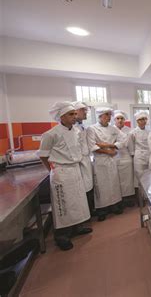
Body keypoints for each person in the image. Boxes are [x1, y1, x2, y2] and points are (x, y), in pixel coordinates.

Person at [38, 101, 92, 250]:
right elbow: (43, 155)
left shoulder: (76, 131)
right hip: (61, 172)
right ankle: (61, 235)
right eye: (71, 114)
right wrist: (52, 170)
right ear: (61, 116)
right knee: (63, 204)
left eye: (75, 113)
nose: (75, 116)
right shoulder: (51, 134)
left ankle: (77, 227)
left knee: (78, 200)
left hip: (75, 169)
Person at [87, 107, 126, 221]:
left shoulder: (113, 129)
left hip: (112, 160)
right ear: (99, 116)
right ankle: (102, 210)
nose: (109, 117)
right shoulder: (92, 129)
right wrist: (107, 150)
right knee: (102, 185)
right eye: (106, 115)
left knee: (114, 184)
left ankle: (114, 206)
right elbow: (92, 146)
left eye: (109, 114)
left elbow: (122, 141)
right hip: (100, 161)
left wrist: (107, 145)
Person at [72, 101, 95, 216]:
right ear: (75, 112)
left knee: (88, 186)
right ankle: (84, 215)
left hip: (85, 160)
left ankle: (88, 212)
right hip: (79, 162)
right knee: (81, 189)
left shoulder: (81, 127)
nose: (85, 112)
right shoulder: (73, 129)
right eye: (83, 110)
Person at [113, 110, 135, 207]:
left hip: (126, 158)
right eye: (118, 118)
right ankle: (119, 201)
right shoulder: (111, 130)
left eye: (122, 118)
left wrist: (132, 155)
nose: (120, 120)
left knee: (128, 181)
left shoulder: (129, 130)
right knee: (117, 181)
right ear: (114, 120)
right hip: (115, 157)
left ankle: (128, 200)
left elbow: (130, 145)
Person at [130, 112, 150, 189]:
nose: (143, 121)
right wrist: (133, 155)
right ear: (137, 121)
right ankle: (140, 196)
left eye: (145, 119)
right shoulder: (133, 132)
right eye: (141, 119)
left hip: (148, 155)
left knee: (148, 176)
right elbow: (131, 146)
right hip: (139, 157)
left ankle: (147, 194)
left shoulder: (149, 131)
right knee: (139, 175)